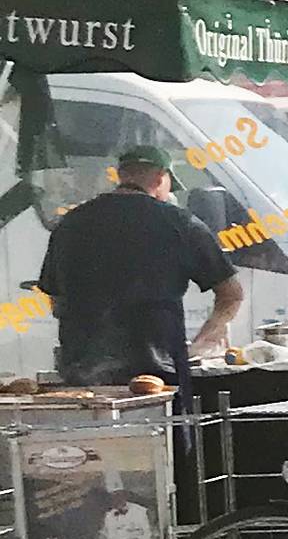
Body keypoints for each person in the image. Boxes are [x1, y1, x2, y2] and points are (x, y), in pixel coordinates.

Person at [36, 144, 242, 387]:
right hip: (156, 376)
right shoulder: (180, 223)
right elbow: (231, 294)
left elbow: (54, 297)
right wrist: (201, 344)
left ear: (122, 175)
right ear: (159, 178)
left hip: (82, 373)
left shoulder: (70, 223)